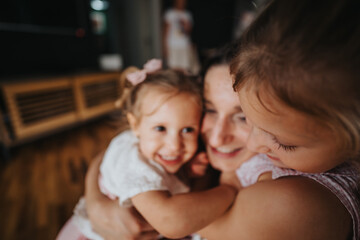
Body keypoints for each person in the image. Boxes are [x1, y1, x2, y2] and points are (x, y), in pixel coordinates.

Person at [84, 0, 360, 238]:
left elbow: (171, 221)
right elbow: (118, 150)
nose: (254, 143)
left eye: (241, 117)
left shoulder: (296, 205)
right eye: (210, 110)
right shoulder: (184, 137)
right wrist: (94, 204)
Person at [56, 59, 238, 240]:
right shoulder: (133, 160)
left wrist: (187, 173)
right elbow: (170, 220)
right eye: (160, 128)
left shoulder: (152, 148)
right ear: (134, 124)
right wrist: (229, 190)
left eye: (187, 130)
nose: (174, 145)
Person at [162, 0, 199, 74]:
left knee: (185, 67)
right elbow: (165, 31)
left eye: (183, 2)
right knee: (173, 68)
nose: (181, 3)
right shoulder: (170, 13)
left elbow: (189, 32)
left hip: (185, 45)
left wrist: (185, 25)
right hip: (172, 45)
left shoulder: (187, 14)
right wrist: (164, 47)